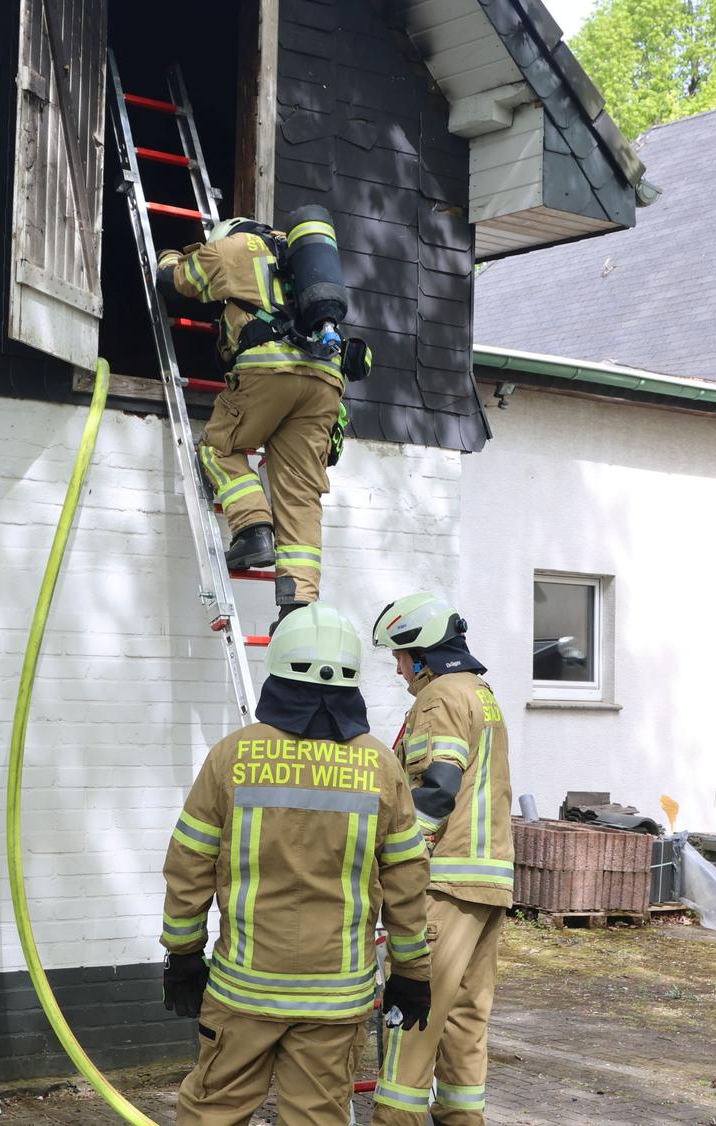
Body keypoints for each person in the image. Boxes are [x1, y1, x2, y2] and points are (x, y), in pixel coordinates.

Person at [159, 603, 432, 1126]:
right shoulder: (380, 766)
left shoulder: (232, 757)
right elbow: (407, 880)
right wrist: (412, 973)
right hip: (336, 999)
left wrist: (184, 955)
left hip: (244, 991)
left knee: (212, 1114)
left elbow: (189, 864)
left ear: (277, 672)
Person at [368, 592, 514, 1126]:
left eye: (401, 657)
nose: (398, 669)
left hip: (445, 883)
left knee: (415, 1019)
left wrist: (397, 864)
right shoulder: (482, 691)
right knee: (466, 1023)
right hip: (489, 883)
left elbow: (437, 787)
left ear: (423, 652)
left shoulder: (439, 697)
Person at [157, 217, 346, 622]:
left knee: (216, 449)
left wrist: (169, 257)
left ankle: (252, 530)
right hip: (326, 381)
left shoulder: (233, 249)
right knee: (299, 495)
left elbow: (175, 283)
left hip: (269, 371)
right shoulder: (303, 267)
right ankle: (297, 611)